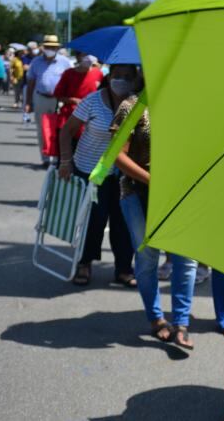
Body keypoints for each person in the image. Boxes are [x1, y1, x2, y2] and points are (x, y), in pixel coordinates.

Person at [110, 88, 198, 349]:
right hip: (137, 193)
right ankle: (156, 318)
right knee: (148, 258)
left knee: (187, 259)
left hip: (180, 194)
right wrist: (152, 181)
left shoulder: (192, 105)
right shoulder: (133, 106)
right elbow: (117, 155)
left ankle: (181, 323)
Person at [58, 65, 136, 287]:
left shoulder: (138, 104)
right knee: (93, 220)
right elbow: (67, 132)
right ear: (109, 77)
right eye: (117, 76)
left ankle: (123, 268)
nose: (121, 81)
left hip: (122, 175)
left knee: (123, 223)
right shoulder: (92, 101)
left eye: (128, 77)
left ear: (135, 80)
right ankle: (84, 263)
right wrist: (66, 161)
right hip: (91, 171)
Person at [25, 35, 73, 164]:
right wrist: (28, 102)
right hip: (41, 97)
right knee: (42, 129)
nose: (50, 49)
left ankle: (58, 158)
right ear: (43, 47)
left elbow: (70, 81)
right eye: (47, 47)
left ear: (57, 48)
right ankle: (45, 158)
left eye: (52, 47)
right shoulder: (36, 62)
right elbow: (30, 82)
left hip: (60, 100)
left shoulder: (65, 62)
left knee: (60, 129)